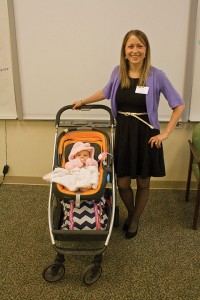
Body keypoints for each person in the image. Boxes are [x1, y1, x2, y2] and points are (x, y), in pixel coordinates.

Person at [72, 29, 185, 239]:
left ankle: (133, 220)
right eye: (131, 46)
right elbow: (105, 92)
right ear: (124, 51)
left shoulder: (157, 75)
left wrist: (166, 133)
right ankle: (134, 213)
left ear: (146, 50)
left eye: (140, 46)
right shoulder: (118, 72)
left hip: (146, 135)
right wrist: (83, 101)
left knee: (143, 182)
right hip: (124, 134)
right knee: (122, 183)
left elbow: (178, 104)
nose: (135, 50)